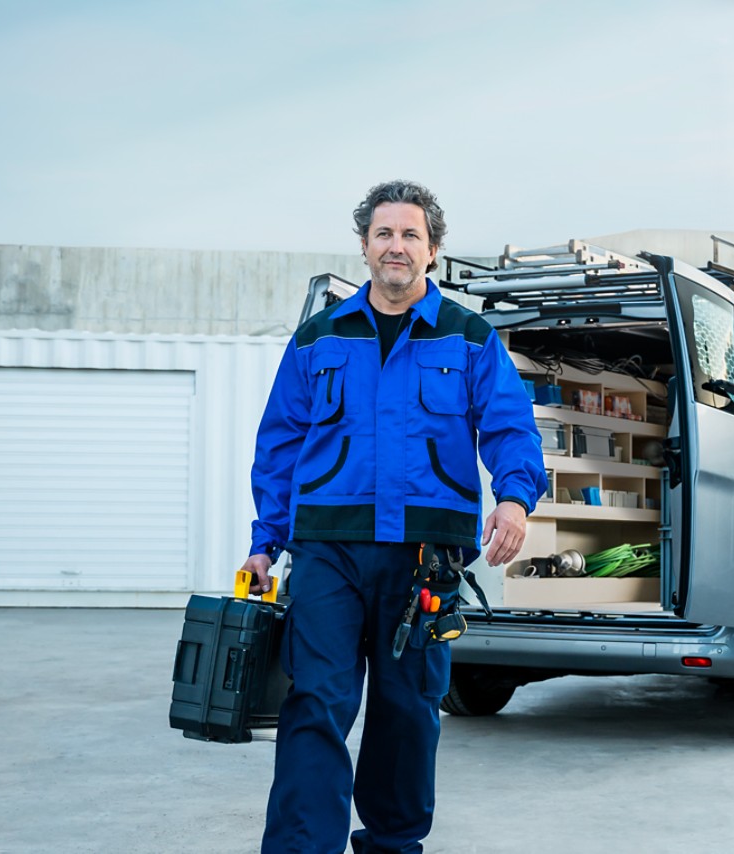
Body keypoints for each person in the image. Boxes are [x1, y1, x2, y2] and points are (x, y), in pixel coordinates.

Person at [240, 179, 547, 853]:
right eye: (384, 234)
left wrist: (515, 498)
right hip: (327, 551)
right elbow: (281, 444)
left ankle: (393, 844)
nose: (396, 246)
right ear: (364, 246)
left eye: (410, 235)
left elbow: (508, 427)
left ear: (432, 251)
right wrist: (265, 545)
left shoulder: (468, 338)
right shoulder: (319, 337)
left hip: (425, 558)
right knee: (315, 704)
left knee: (408, 712)